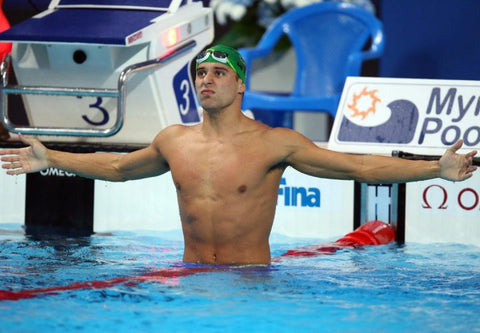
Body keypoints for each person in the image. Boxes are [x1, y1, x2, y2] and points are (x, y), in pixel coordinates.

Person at [0, 45, 478, 265]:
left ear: (241, 83)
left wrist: (435, 167)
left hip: (252, 288)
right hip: (189, 278)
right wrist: (53, 157)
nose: (206, 80)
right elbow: (119, 168)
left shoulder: (274, 143)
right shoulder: (174, 140)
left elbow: (359, 167)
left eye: (218, 73)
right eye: (200, 73)